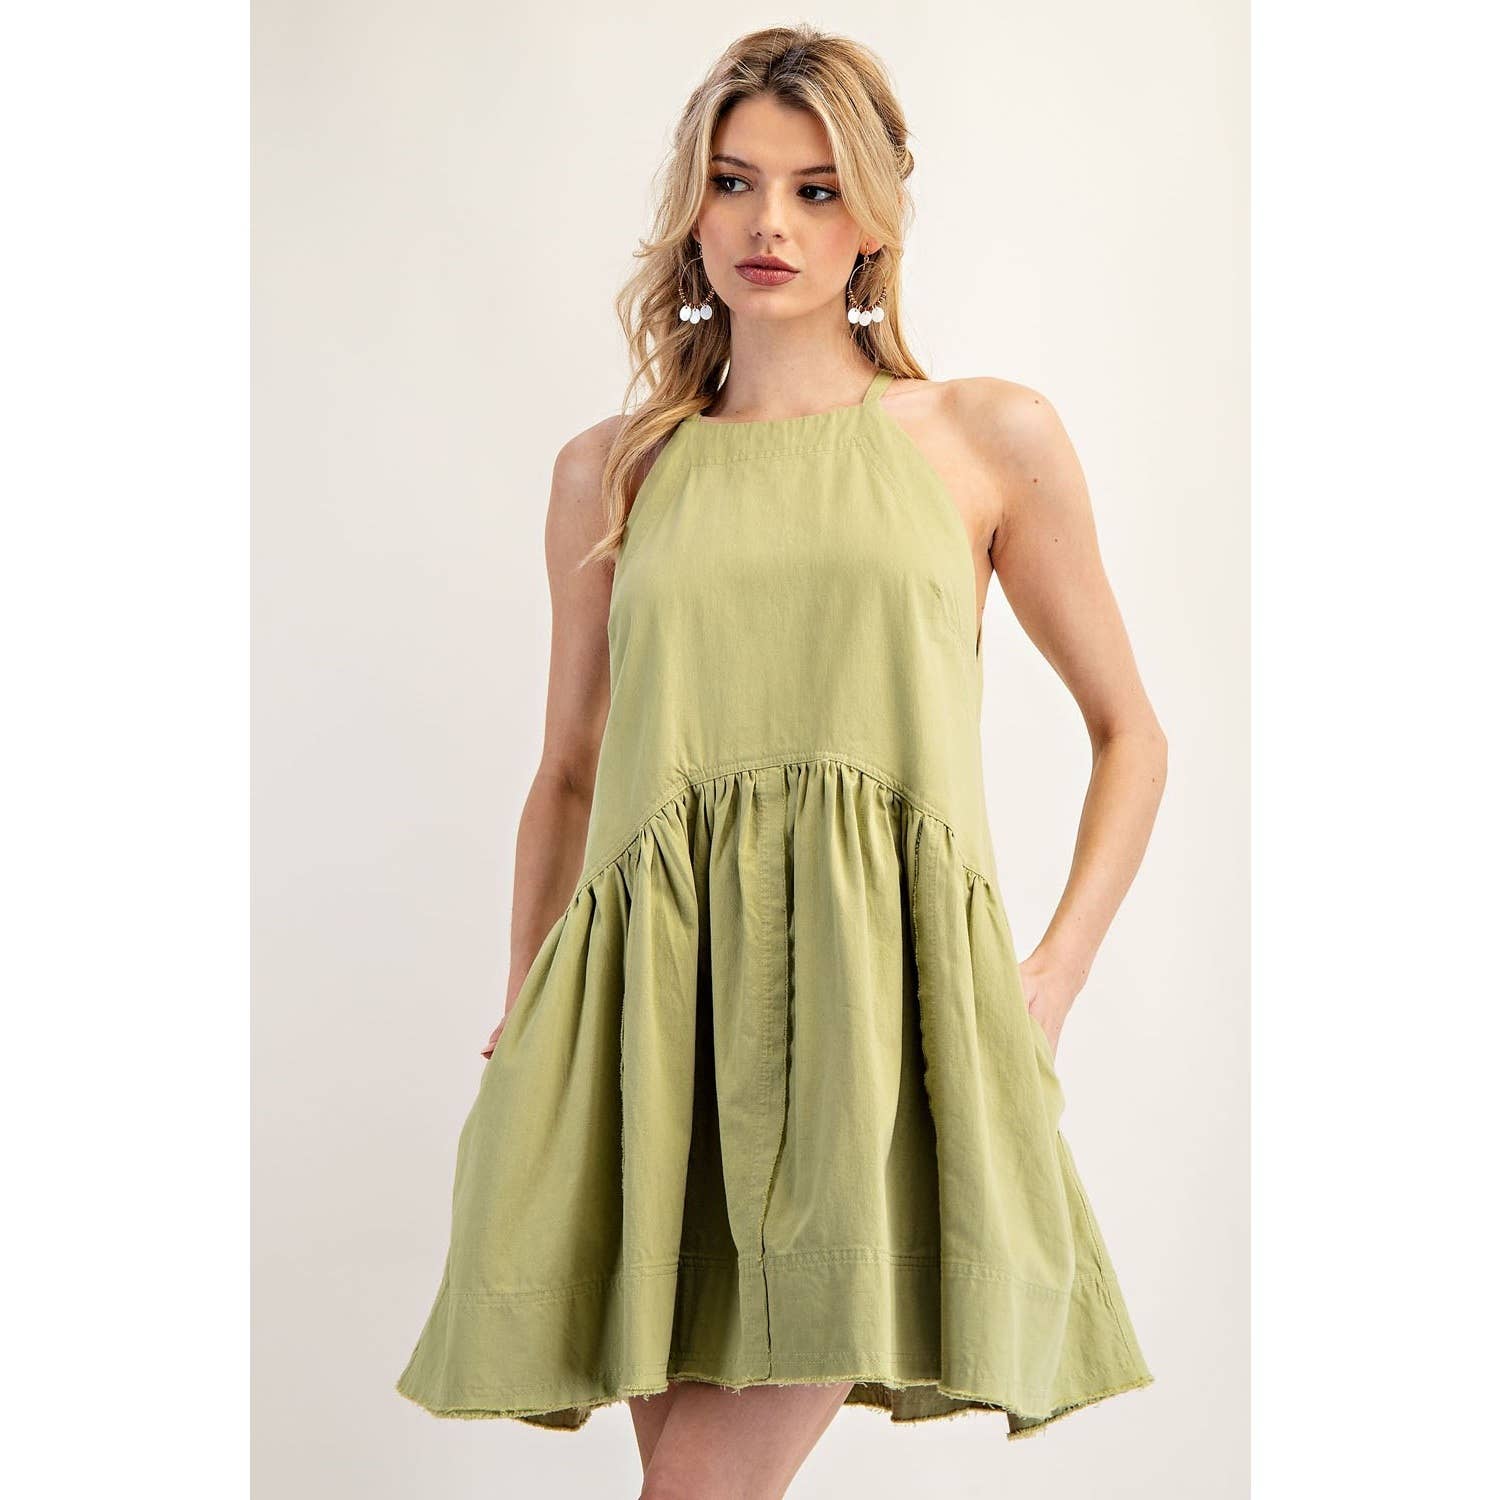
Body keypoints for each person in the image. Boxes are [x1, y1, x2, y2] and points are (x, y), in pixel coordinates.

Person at [397, 24, 1165, 1499]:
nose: (770, 224)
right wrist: (523, 1003)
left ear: (876, 217)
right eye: (736, 181)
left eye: (817, 190)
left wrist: (1055, 974)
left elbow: (1132, 731)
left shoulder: (983, 436)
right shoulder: (612, 469)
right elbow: (569, 770)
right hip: (650, 1017)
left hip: (884, 1012)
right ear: (691, 203)